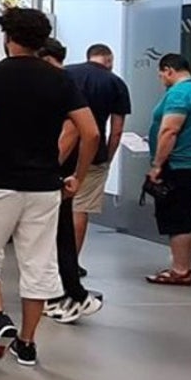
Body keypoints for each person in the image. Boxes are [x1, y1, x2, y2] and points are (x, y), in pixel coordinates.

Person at [0, 8, 98, 367]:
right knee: (38, 263)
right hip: (45, 186)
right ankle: (27, 343)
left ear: (7, 38)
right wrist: (78, 173)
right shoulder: (61, 79)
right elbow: (90, 132)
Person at [38, 39, 104, 325]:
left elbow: (75, 131)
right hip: (60, 173)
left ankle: (64, 295)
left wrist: (53, 168)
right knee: (60, 232)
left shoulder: (61, 81)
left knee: (52, 236)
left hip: (54, 174)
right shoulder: (65, 80)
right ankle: (74, 291)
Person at [145, 53, 191, 286]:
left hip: (175, 164)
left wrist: (157, 165)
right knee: (187, 216)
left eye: (161, 75)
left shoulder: (179, 93)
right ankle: (185, 266)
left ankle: (179, 270)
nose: (161, 79)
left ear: (169, 70)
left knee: (175, 218)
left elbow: (169, 131)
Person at [64, 44, 132, 267]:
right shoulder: (116, 83)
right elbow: (117, 129)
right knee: (80, 208)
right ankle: (71, 263)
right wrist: (108, 157)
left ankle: (50, 261)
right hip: (93, 155)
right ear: (109, 59)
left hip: (60, 151)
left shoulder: (66, 74)